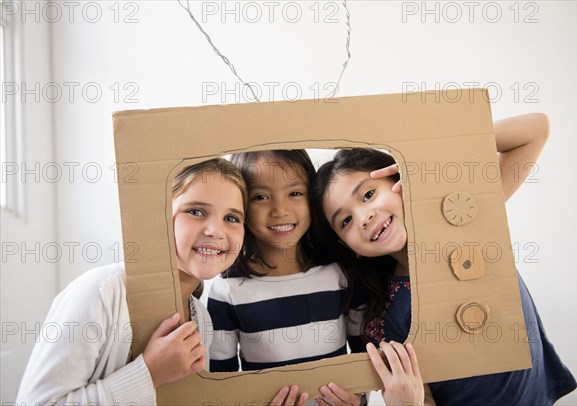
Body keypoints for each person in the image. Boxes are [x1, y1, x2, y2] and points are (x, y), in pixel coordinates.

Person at [310, 113, 577, 405]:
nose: (364, 217)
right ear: (349, 247)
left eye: (369, 194)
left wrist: (425, 162)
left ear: (400, 180)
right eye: (346, 221)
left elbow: (535, 129)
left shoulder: (466, 221)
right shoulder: (385, 317)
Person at [16, 159, 249, 405]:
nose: (216, 230)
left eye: (232, 218)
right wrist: (149, 373)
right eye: (195, 211)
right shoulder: (100, 294)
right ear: (156, 216)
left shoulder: (202, 319)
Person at [207, 150, 365, 405]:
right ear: (241, 206)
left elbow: (364, 358)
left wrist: (358, 399)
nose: (280, 210)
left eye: (294, 193)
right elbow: (220, 383)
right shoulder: (227, 289)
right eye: (260, 197)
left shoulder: (341, 273)